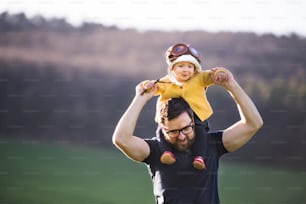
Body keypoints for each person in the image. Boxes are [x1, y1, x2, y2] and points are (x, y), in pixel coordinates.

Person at [112, 68, 263, 204]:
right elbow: (121, 139)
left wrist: (231, 85)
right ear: (162, 129)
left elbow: (253, 123)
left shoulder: (212, 145)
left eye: (186, 128)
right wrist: (140, 98)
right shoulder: (155, 150)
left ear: (192, 120)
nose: (182, 136)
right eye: (173, 132)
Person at [142, 43, 228, 170]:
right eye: (180, 66)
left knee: (201, 132)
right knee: (162, 131)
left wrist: (220, 73)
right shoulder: (167, 81)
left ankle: (199, 157)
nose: (185, 70)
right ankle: (166, 152)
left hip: (197, 114)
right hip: (171, 117)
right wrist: (147, 85)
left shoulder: (199, 78)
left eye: (190, 66)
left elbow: (212, 75)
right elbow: (154, 87)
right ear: (172, 69)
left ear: (195, 69)